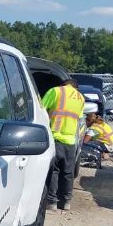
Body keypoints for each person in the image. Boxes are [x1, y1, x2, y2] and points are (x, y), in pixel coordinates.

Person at [42, 78, 85, 211]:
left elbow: (41, 110)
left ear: (63, 85)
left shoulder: (56, 91)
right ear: (74, 87)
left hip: (55, 137)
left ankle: (52, 202)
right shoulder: (80, 98)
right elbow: (79, 117)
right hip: (70, 140)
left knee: (54, 171)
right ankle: (66, 202)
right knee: (67, 172)